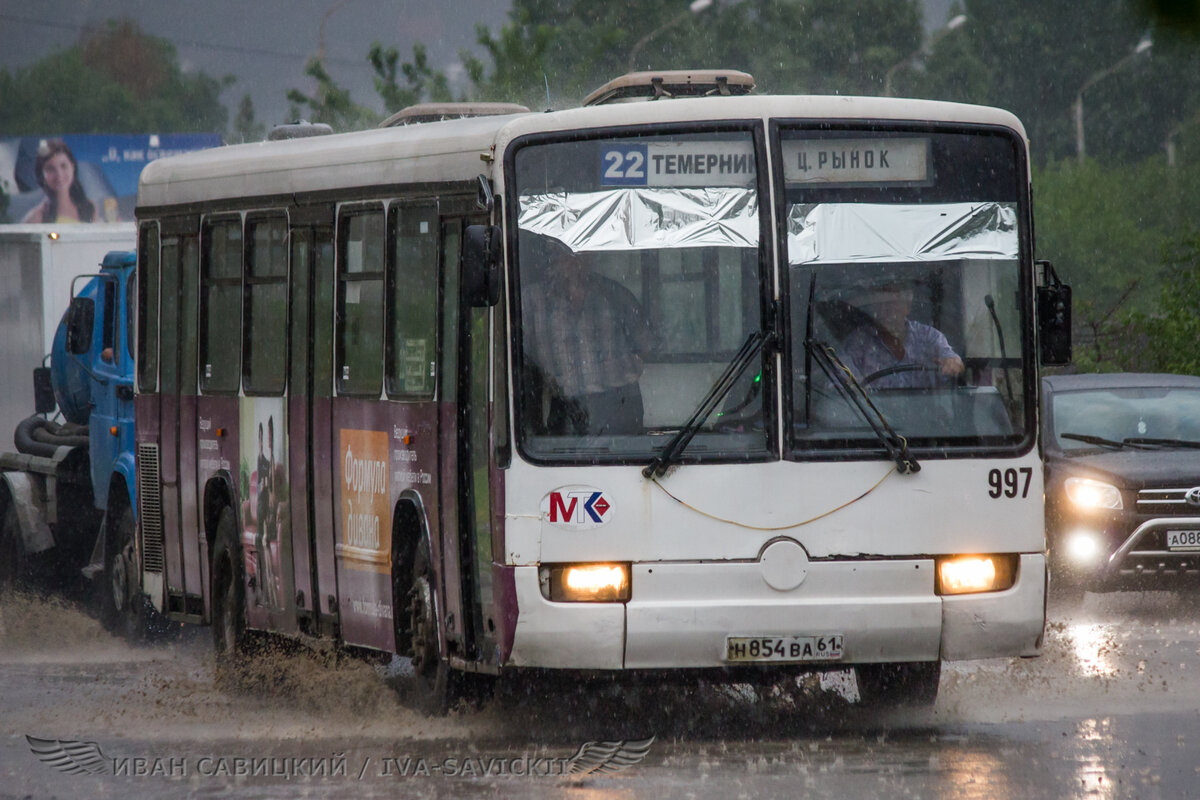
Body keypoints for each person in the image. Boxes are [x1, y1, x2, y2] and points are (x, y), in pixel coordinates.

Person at [522, 237, 653, 436]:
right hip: (566, 407)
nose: (575, 261)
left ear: (593, 256)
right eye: (566, 254)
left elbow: (646, 344)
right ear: (552, 259)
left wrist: (613, 370)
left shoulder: (614, 294)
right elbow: (520, 360)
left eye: (582, 253)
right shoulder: (531, 302)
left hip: (620, 404)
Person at [839, 281, 964, 389]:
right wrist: (852, 385)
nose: (885, 310)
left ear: (907, 307)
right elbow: (840, 379)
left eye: (891, 304)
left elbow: (954, 362)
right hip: (870, 409)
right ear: (872, 310)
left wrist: (952, 363)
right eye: (879, 304)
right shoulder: (858, 343)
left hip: (927, 408)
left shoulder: (928, 337)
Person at [21, 139, 96, 224]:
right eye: (50, 169)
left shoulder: (90, 208)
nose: (59, 175)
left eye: (63, 166)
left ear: (72, 167)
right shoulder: (36, 218)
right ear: (42, 174)